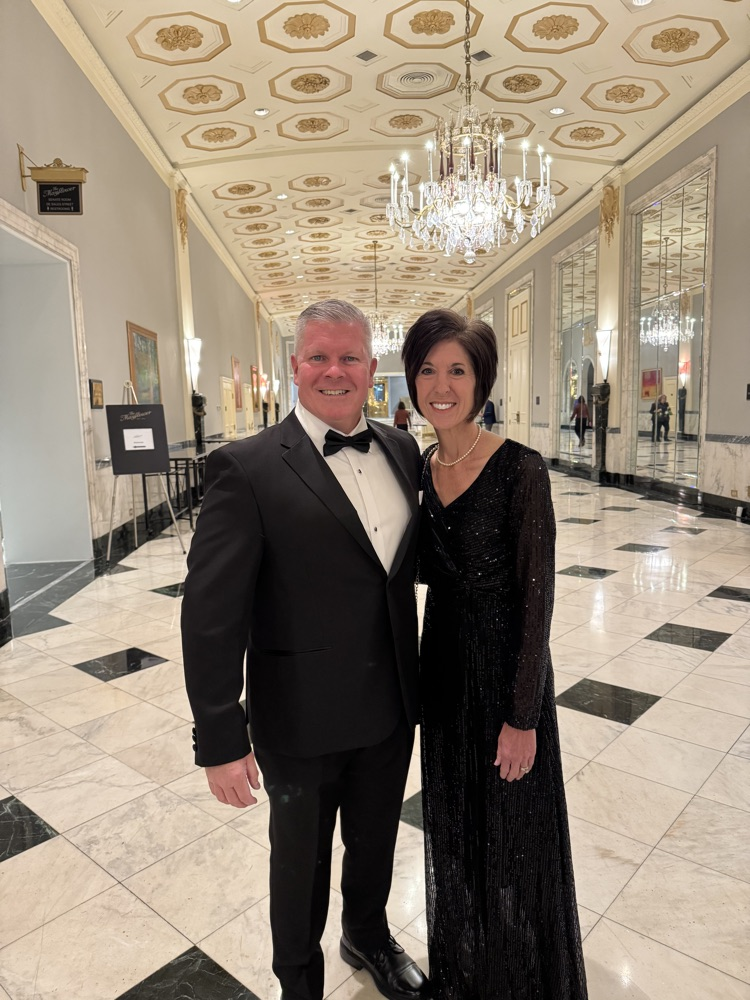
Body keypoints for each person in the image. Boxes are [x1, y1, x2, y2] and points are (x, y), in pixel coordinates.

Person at [182, 300, 429, 1000]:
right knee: (300, 866)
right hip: (300, 720)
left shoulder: (402, 450)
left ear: (371, 367)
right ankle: (299, 982)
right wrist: (220, 739)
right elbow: (210, 615)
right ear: (295, 366)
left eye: (349, 357)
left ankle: (368, 936)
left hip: (390, 705)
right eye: (318, 356)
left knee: (376, 842)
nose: (334, 370)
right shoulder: (246, 467)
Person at [401, 309, 588, 1000]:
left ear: (482, 381)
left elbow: (537, 606)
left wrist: (523, 715)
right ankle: (465, 971)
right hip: (443, 676)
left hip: (506, 680)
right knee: (455, 829)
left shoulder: (520, 471)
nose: (441, 384)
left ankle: (520, 982)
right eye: (427, 369)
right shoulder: (421, 468)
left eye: (458, 370)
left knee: (513, 841)